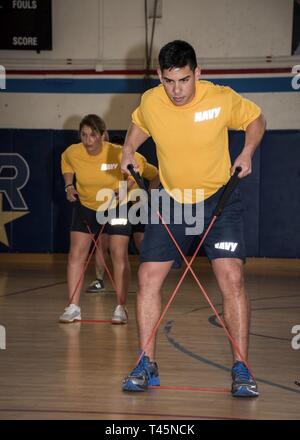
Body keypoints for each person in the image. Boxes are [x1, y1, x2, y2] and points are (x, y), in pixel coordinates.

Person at [120, 40, 266, 397]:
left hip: (220, 198)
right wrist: (128, 150)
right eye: (169, 81)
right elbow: (139, 126)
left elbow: (255, 119)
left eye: (184, 80)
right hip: (172, 200)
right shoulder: (152, 101)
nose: (177, 90)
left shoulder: (220, 98)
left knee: (231, 277)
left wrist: (247, 152)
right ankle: (145, 363)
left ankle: (242, 368)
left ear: (198, 73)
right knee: (148, 275)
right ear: (160, 76)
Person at [59, 114, 157, 325]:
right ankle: (73, 307)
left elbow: (139, 170)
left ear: (103, 135)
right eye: (84, 135)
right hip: (86, 206)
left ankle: (121, 307)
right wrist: (69, 186)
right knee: (76, 254)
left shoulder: (117, 152)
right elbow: (66, 164)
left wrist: (126, 189)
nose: (88, 141)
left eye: (93, 135)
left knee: (117, 253)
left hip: (116, 207)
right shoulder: (72, 152)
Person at [85, 135, 159, 293]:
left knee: (140, 241)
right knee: (102, 241)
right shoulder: (106, 166)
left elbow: (156, 175)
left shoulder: (138, 162)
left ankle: (151, 277)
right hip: (114, 206)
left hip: (136, 205)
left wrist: (150, 193)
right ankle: (98, 280)